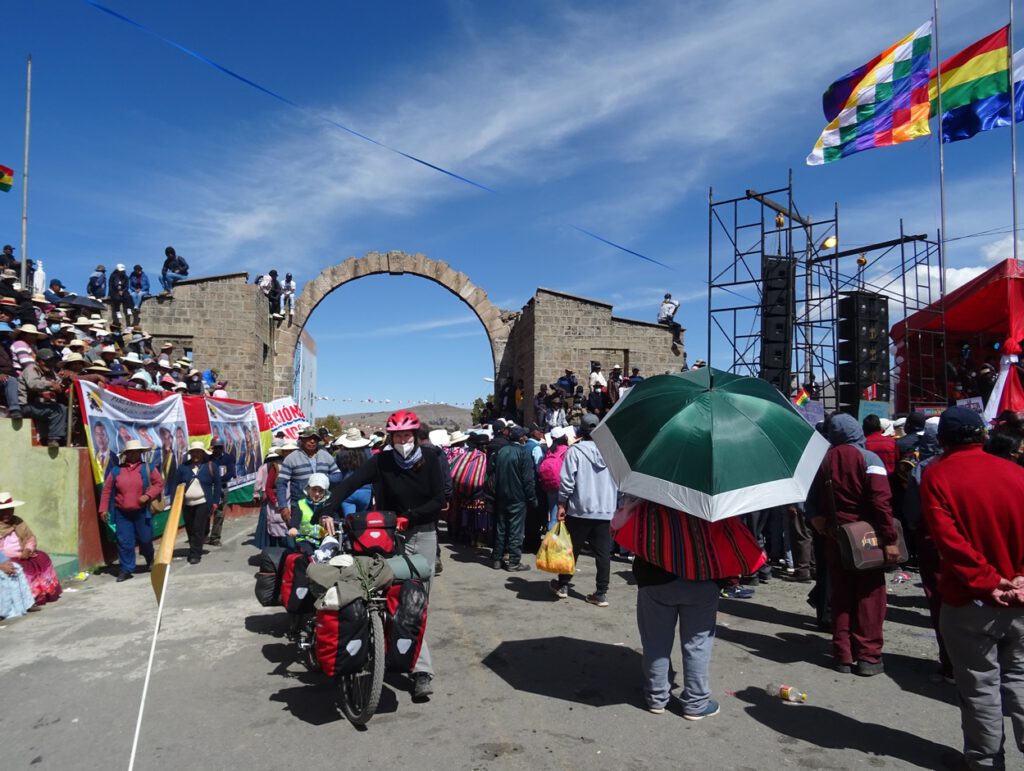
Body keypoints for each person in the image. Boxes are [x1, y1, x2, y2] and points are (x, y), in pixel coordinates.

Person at [919, 406, 1024, 771]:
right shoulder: (1016, 472)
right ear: (982, 435)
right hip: (1019, 598)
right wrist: (1020, 578)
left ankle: (984, 762)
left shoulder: (937, 476)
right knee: (1022, 680)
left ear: (943, 440)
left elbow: (949, 542)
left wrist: (988, 582)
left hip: (969, 601)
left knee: (980, 688)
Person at [324, 410, 445, 701]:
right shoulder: (382, 460)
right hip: (391, 535)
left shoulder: (431, 459)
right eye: (398, 436)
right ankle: (386, 651)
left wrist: (411, 516)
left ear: (416, 436)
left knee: (415, 601)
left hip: (423, 532)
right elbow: (349, 484)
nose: (403, 441)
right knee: (386, 595)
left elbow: (439, 499)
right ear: (391, 437)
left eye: (407, 436)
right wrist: (327, 507)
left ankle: (420, 672)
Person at [808, 413, 899, 676]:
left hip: (836, 538)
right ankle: (868, 656)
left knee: (841, 595)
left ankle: (842, 654)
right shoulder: (869, 459)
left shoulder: (823, 461)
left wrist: (819, 522)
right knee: (870, 597)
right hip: (868, 537)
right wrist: (889, 539)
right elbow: (881, 502)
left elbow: (811, 502)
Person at [551, 413, 618, 606]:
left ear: (581, 430)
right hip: (605, 510)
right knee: (603, 553)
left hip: (580, 509)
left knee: (572, 550)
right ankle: (601, 592)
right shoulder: (612, 452)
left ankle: (563, 585)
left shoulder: (576, 451)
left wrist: (562, 503)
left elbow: (567, 481)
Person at [99, 439, 164, 582]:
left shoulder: (148, 468)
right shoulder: (116, 471)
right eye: (130, 452)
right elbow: (107, 490)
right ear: (126, 454)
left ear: (140, 453)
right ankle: (126, 569)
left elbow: (159, 484)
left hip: (142, 512)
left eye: (136, 452)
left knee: (146, 539)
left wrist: (147, 496)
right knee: (124, 541)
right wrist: (103, 509)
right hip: (122, 513)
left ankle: (149, 558)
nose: (133, 455)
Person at [489, 426, 538, 571]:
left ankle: (497, 559)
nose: (526, 439)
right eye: (524, 436)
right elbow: (528, 480)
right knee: (516, 530)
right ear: (521, 438)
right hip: (517, 498)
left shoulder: (501, 451)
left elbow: (492, 474)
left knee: (501, 527)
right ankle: (514, 562)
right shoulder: (523, 453)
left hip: (501, 495)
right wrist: (533, 499)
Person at [0, 493, 62, 605]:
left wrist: (28, 549)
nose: (6, 514)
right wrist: (16, 555)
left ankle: (44, 593)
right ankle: (29, 599)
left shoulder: (18, 521)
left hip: (24, 553)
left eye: (9, 510)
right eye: (2, 511)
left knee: (43, 557)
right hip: (6, 558)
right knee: (22, 567)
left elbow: (30, 537)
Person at [276, 427, 342, 527]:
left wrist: (323, 478)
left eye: (315, 439)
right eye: (308, 438)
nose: (312, 441)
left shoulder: (326, 456)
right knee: (300, 537)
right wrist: (283, 506)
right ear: (302, 440)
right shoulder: (291, 458)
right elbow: (281, 483)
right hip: (299, 506)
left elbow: (338, 476)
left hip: (323, 506)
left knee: (322, 536)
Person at [171, 442, 222, 565]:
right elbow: (174, 484)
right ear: (190, 453)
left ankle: (195, 554)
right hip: (186, 503)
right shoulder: (183, 467)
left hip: (203, 502)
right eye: (194, 452)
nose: (196, 454)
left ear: (203, 453)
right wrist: (175, 501)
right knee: (190, 527)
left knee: (198, 528)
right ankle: (194, 547)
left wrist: (215, 501)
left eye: (198, 452)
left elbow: (218, 484)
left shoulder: (211, 466)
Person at [18, 348, 67, 448]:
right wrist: (51, 385)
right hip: (26, 405)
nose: (49, 364)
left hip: (41, 406)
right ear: (38, 361)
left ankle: (60, 439)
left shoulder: (51, 372)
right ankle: (53, 439)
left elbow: (59, 384)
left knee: (65, 409)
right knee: (58, 410)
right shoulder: (31, 369)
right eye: (45, 361)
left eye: (51, 361)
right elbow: (33, 384)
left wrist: (64, 380)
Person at [288, 472, 332, 555]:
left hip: (323, 540)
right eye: (314, 489)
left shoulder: (328, 505)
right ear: (308, 489)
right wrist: (294, 527)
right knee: (308, 554)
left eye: (321, 491)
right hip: (304, 539)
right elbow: (295, 518)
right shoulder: (301, 504)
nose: (317, 494)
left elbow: (334, 517)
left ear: (325, 492)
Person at [333, 428, 373, 515]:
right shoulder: (369, 453)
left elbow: (338, 473)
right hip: (366, 490)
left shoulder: (340, 455)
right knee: (363, 522)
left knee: (349, 522)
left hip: (347, 491)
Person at [537, 427, 570, 529]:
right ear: (564, 437)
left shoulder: (549, 451)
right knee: (561, 516)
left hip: (550, 486)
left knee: (553, 513)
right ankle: (555, 542)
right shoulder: (566, 450)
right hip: (562, 486)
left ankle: (551, 540)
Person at [206, 438, 237, 546]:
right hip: (209, 488)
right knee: (206, 512)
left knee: (219, 514)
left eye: (219, 448)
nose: (217, 450)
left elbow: (231, 473)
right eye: (215, 448)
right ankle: (205, 535)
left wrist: (219, 480)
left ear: (222, 448)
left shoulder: (228, 459)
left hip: (222, 488)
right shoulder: (208, 459)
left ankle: (215, 537)